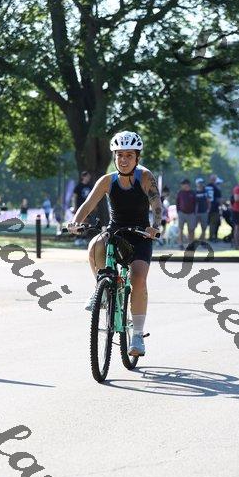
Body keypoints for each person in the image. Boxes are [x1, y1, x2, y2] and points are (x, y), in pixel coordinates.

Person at [67, 130, 162, 357]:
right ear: (114, 157)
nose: (124, 159)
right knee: (95, 244)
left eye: (129, 155)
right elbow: (88, 205)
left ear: (137, 157)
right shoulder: (107, 180)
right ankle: (102, 288)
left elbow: (156, 204)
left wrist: (156, 226)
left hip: (140, 234)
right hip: (115, 231)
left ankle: (137, 336)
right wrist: (75, 222)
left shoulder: (145, 177)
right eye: (120, 155)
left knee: (138, 279)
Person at [176, 179, 196, 249]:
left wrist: (194, 212)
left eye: (184, 184)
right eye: (182, 185)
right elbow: (177, 202)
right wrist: (178, 211)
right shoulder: (180, 193)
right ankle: (180, 244)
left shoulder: (192, 193)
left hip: (191, 214)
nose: (183, 186)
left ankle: (190, 244)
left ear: (188, 185)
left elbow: (195, 203)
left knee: (191, 230)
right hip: (182, 213)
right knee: (180, 229)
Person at [206, 174, 222, 241]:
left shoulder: (206, 187)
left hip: (206, 208)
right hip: (214, 208)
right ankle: (212, 237)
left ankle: (211, 236)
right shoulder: (216, 189)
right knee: (214, 223)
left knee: (209, 223)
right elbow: (219, 200)